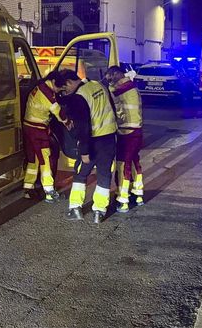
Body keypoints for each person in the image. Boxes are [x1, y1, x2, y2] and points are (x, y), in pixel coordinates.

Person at [53, 69, 118, 224]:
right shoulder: (98, 85)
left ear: (69, 82)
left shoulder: (79, 97)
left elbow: (83, 127)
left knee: (81, 174)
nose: (65, 92)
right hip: (109, 138)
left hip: (92, 141)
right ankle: (99, 212)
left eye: (64, 88)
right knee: (104, 174)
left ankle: (75, 208)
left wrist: (84, 151)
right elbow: (112, 109)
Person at [104, 66, 144, 213]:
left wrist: (104, 84)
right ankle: (138, 193)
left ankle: (122, 199)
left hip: (127, 131)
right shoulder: (131, 86)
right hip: (136, 130)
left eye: (110, 77)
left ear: (116, 74)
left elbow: (109, 93)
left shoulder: (122, 88)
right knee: (134, 161)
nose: (110, 81)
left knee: (122, 165)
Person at [22, 72, 66, 202]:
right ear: (54, 82)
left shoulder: (39, 86)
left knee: (33, 159)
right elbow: (58, 112)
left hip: (28, 126)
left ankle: (28, 188)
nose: (59, 91)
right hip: (38, 130)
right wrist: (67, 121)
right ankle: (49, 191)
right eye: (59, 88)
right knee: (45, 159)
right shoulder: (47, 93)